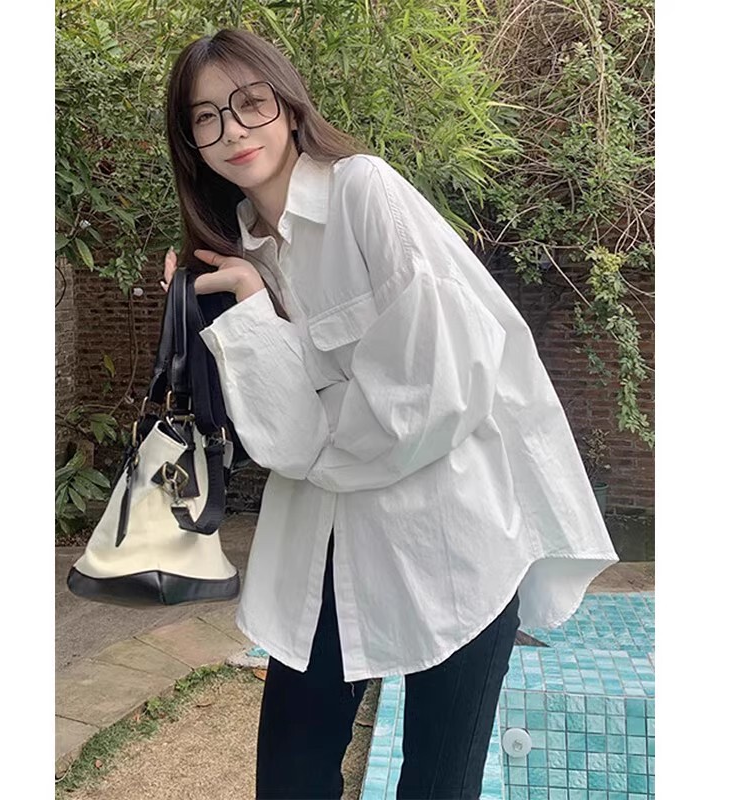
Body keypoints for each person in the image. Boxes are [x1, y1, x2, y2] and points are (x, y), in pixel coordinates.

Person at [160, 27, 619, 800]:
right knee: (290, 780)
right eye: (207, 118)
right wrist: (244, 306)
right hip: (321, 553)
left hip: (456, 543)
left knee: (438, 786)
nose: (233, 129)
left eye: (249, 103)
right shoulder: (236, 257)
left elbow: (436, 391)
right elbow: (278, 441)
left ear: (289, 106)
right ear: (192, 144)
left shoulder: (361, 190)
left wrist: (321, 441)